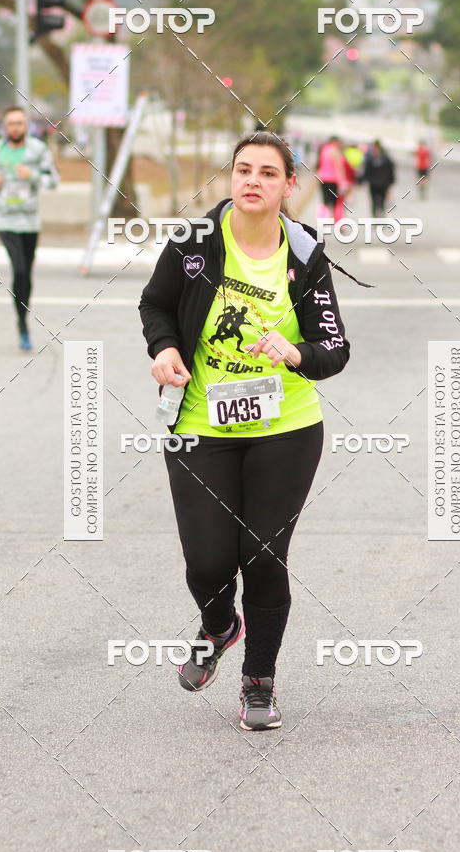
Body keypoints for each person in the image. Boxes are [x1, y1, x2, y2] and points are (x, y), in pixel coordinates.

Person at [139, 131, 370, 731]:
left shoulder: (305, 253)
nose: (252, 181)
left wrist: (294, 353)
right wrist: (163, 349)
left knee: (263, 555)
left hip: (285, 427)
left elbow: (334, 348)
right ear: (230, 176)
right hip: (200, 424)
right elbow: (155, 304)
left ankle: (259, 681)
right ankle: (219, 627)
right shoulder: (194, 242)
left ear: (289, 184)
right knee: (207, 562)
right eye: (243, 169)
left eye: (268, 173)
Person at [0, 106, 59, 350]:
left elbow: (53, 180)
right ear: (4, 126)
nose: (15, 127)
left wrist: (32, 175)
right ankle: (22, 325)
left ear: (26, 126)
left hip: (30, 221)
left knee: (26, 274)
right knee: (19, 269)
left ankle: (23, 318)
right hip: (5, 219)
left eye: (19, 123)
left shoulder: (37, 150)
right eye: (11, 123)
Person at [316, 135, 351, 223]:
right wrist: (342, 182)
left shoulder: (324, 149)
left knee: (325, 201)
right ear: (335, 142)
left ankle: (322, 220)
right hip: (334, 180)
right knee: (336, 202)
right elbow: (338, 167)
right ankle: (337, 221)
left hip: (323, 179)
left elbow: (320, 165)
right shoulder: (335, 151)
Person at [363, 139, 395, 217]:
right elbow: (367, 172)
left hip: (383, 184)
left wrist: (391, 181)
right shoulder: (370, 160)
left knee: (382, 201)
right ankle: (374, 216)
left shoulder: (386, 160)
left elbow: (390, 171)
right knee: (373, 201)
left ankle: (381, 215)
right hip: (374, 184)